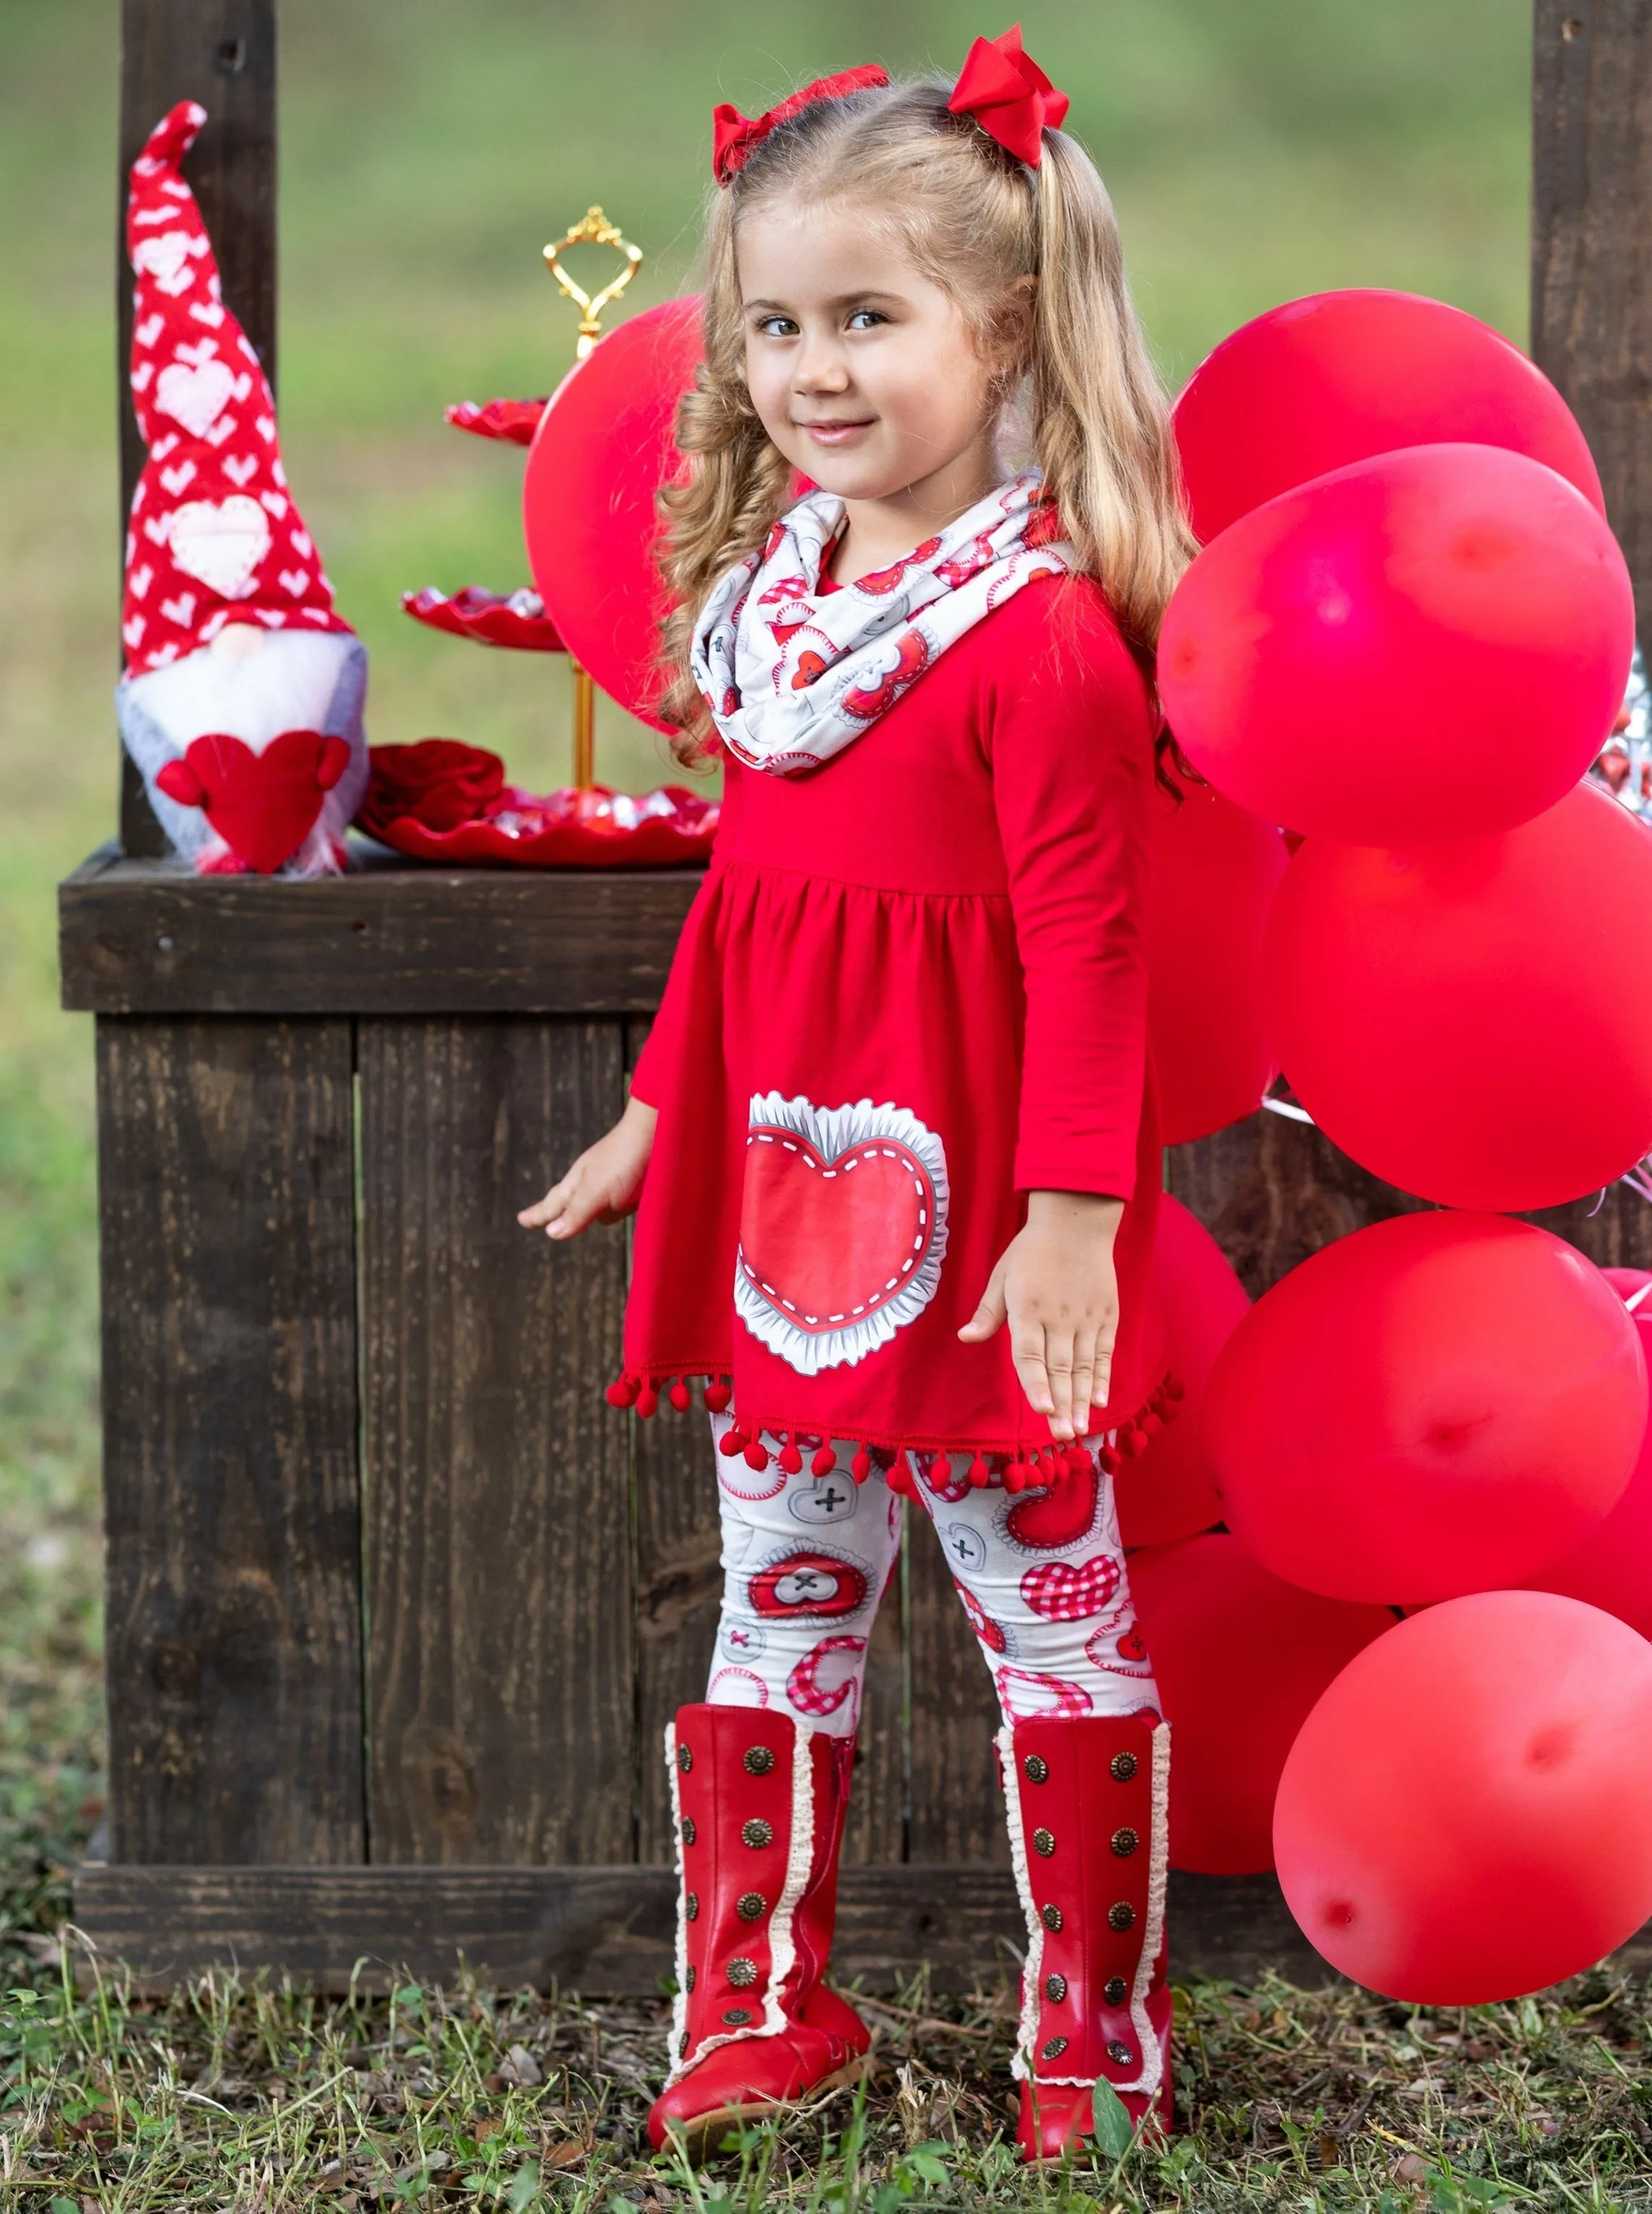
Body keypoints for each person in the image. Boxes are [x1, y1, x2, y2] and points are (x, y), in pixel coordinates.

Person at [519, 28, 1193, 2163]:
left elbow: (1095, 945)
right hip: (794, 1210)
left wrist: (1072, 1209)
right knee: (777, 1587)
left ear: (1001, 329)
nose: (812, 369)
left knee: (1043, 1608)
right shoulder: (772, 619)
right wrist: (658, 1109)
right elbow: (747, 900)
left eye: (867, 319)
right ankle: (762, 2003)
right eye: (775, 323)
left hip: (993, 1228)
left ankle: (1094, 2031)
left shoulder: (1033, 638)